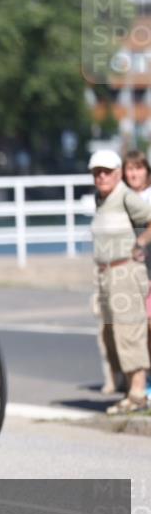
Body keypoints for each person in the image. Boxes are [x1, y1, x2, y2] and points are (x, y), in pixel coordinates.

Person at [89, 149, 151, 414]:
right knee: (112, 334)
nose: (101, 177)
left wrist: (140, 243)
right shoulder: (101, 199)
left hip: (125, 270)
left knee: (130, 330)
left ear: (117, 173)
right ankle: (129, 391)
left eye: (106, 172)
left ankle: (138, 394)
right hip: (105, 273)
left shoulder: (125, 196)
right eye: (96, 173)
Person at [122, 150, 151, 399]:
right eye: (129, 168)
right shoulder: (121, 197)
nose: (133, 173)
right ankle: (141, 380)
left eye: (138, 168)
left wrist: (140, 241)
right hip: (132, 274)